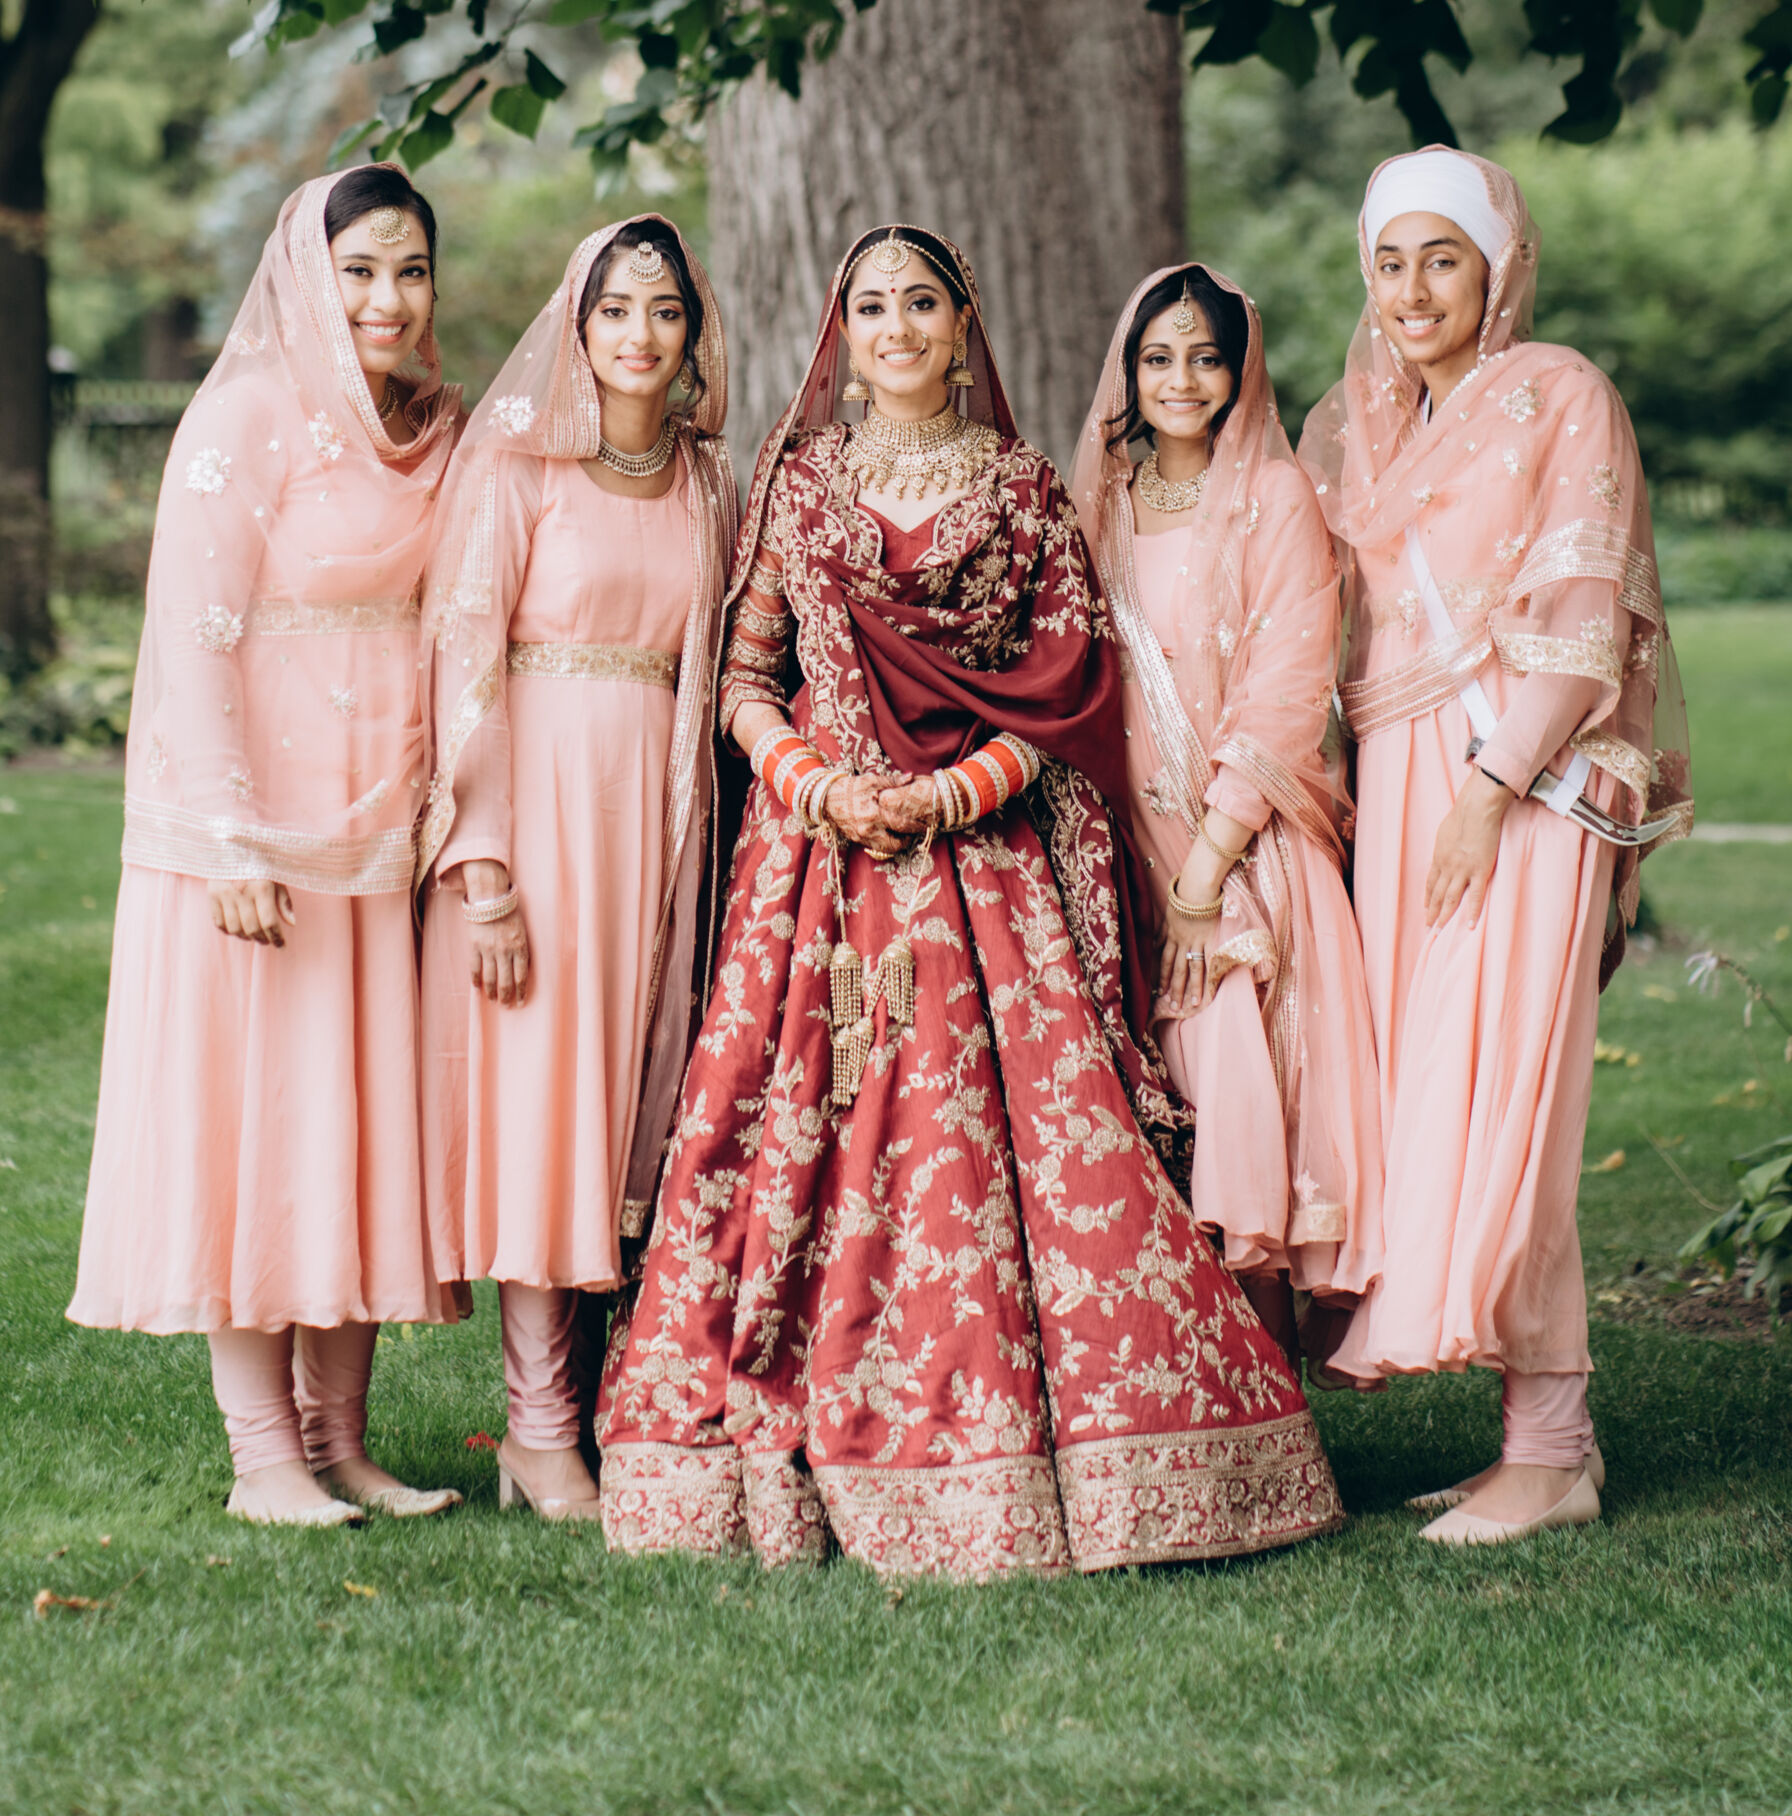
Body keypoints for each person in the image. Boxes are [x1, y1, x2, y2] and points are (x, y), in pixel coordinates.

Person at [598, 223, 1341, 1582]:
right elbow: (747, 680)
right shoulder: (800, 480)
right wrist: (818, 784)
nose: (896, 328)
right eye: (872, 306)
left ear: (961, 324)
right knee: (797, 1116)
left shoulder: (1023, 487)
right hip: (814, 863)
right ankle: (766, 1433)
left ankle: (1040, 1441)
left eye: (920, 304)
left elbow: (1068, 690)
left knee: (994, 1135)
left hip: (980, 858)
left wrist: (949, 795)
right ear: (845, 331)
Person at [1300, 147, 1691, 1541]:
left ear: (1498, 268)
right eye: (1390, 261)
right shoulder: (1362, 426)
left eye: (1443, 259)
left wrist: (1489, 786)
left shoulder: (1560, 392)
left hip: (1518, 779)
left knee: (1517, 1108)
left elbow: (1584, 616)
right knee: (1442, 1107)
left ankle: (1551, 1455)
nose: (1413, 290)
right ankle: (1542, 1444)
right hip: (1403, 787)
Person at [71, 166, 465, 1526]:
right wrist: (229, 841)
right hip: (259, 844)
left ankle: (342, 1443)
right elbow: (194, 639)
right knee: (258, 1139)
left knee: (350, 1136)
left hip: (377, 835)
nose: (387, 299)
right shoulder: (245, 416)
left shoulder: (432, 428)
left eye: (410, 270)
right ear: (305, 275)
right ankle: (262, 1460)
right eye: (359, 270)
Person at [417, 216, 736, 1523]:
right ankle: (539, 1432)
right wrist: (485, 867)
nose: (639, 335)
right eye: (615, 310)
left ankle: (611, 1407)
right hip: (540, 818)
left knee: (624, 1121)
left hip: (657, 822)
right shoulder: (519, 469)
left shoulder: (707, 483)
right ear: (578, 325)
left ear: (693, 331)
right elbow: (464, 659)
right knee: (544, 1117)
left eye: (664, 310)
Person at [1071, 265, 1383, 1359]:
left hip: (1238, 852)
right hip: (1133, 852)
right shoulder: (1100, 504)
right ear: (1128, 372)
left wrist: (1206, 872)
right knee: (1168, 1124)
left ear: (1241, 369)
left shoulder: (1276, 497)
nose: (1181, 379)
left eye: (1206, 357)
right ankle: (1194, 1393)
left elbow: (1290, 689)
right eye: (1158, 358)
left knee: (1248, 1118)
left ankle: (1272, 1396)